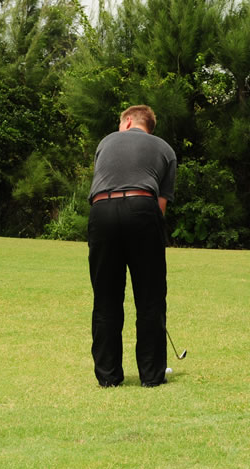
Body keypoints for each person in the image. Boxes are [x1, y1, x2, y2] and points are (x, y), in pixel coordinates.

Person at [87, 105, 177, 388]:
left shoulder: (106, 142)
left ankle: (108, 376)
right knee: (150, 298)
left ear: (127, 121)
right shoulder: (165, 150)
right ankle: (151, 375)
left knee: (106, 298)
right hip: (142, 207)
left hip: (101, 211)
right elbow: (160, 207)